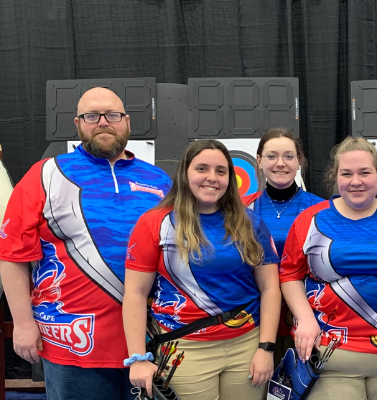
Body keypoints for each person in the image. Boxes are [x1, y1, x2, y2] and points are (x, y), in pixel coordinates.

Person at [0, 87, 172, 400]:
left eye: (113, 115)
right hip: (74, 343)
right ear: (78, 123)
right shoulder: (45, 175)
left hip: (151, 343)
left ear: (127, 122)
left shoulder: (159, 180)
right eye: (92, 116)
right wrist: (23, 324)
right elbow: (12, 254)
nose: (103, 122)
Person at [122, 139, 281, 400]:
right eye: (202, 169)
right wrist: (138, 357)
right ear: (185, 173)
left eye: (221, 171)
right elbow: (136, 294)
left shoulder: (251, 222)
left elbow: (270, 288)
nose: (212, 178)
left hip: (246, 344)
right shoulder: (154, 223)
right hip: (185, 348)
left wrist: (266, 348)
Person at [279, 137, 377, 400]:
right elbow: (289, 273)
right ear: (336, 176)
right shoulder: (310, 219)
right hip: (331, 352)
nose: (356, 181)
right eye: (347, 173)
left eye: (365, 172)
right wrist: (305, 319)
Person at [242, 128, 324, 365]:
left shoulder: (322, 209)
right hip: (256, 318)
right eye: (271, 156)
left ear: (299, 162)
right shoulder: (241, 209)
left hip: (307, 317)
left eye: (289, 156)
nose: (281, 163)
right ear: (258, 161)